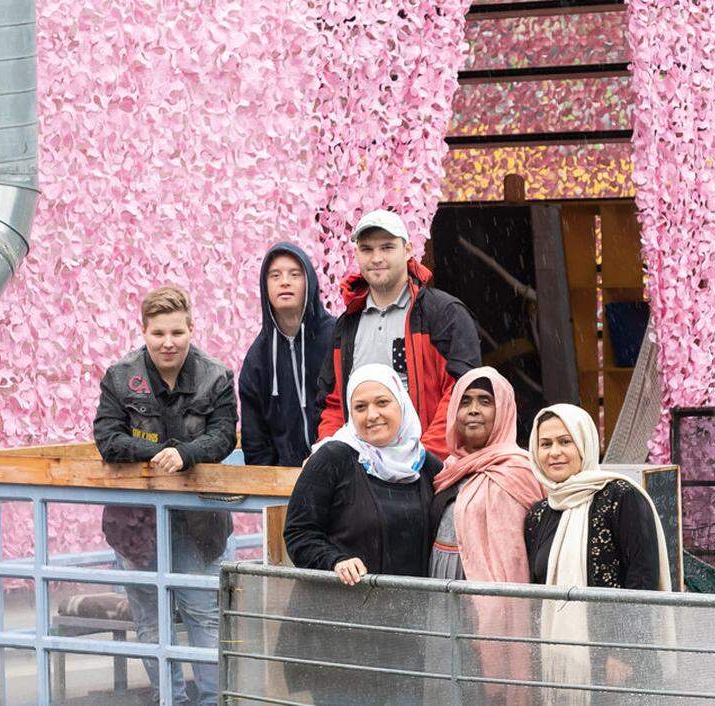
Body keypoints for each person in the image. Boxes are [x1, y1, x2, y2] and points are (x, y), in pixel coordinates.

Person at [92, 285, 238, 706]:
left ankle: (213, 701)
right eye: (158, 334)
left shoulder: (216, 375)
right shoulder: (120, 376)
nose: (168, 342)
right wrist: (159, 453)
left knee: (205, 616)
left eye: (177, 332)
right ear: (144, 331)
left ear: (192, 328)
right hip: (136, 522)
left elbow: (224, 434)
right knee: (151, 622)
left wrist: (186, 454)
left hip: (200, 522)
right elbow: (106, 437)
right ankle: (168, 700)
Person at [279, 364, 440, 704]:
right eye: (360, 407)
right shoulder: (334, 458)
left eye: (383, 402)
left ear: (402, 404)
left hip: (404, 637)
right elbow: (299, 532)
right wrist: (334, 560)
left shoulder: (425, 466)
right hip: (340, 635)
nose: (372, 415)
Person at [523, 404, 671, 704]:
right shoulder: (539, 514)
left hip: (618, 662)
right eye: (545, 444)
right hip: (563, 660)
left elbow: (642, 580)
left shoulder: (620, 497)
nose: (554, 453)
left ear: (585, 443)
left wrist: (624, 653)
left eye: (566, 442)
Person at [317, 210, 480, 458]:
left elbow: (463, 393)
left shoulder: (444, 313)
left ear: (408, 250)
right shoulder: (347, 325)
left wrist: (426, 459)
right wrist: (328, 456)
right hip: (363, 472)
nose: (376, 258)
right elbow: (334, 403)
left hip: (432, 468)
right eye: (367, 249)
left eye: (387, 247)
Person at [431, 367, 545, 704]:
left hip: (494, 599)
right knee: (453, 677)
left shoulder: (520, 469)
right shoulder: (447, 469)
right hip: (442, 588)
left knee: (487, 683)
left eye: (485, 401)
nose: (474, 410)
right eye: (465, 401)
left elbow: (517, 553)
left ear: (505, 410)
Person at [239, 243, 336, 467]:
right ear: (265, 287)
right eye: (275, 275)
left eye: (295, 274)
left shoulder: (337, 337)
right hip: (281, 481)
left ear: (309, 282)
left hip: (339, 473)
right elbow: (255, 440)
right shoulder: (257, 358)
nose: (285, 281)